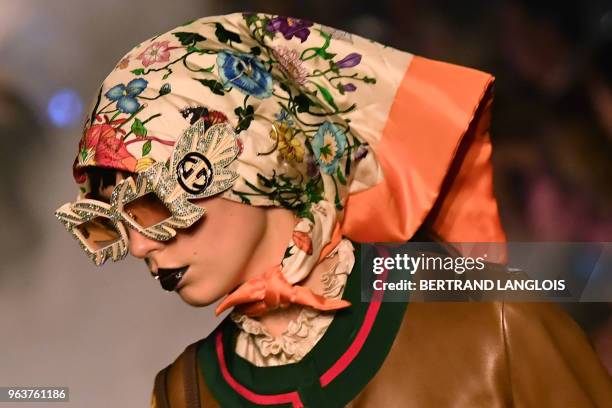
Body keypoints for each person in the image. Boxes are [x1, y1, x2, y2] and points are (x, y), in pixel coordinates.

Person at [55, 12, 612, 407]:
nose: (140, 246)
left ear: (250, 158)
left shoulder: (496, 328)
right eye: (110, 224)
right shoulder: (183, 394)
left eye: (152, 204)